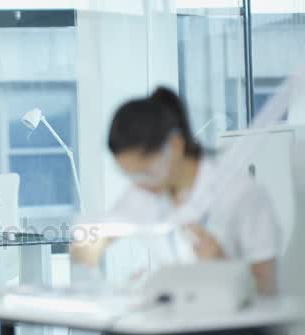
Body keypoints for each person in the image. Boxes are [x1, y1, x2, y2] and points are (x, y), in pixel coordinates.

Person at [71, 87, 280, 295]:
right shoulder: (144, 193)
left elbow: (268, 288)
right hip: (179, 316)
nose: (138, 185)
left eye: (145, 172)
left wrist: (222, 266)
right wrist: (88, 242)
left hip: (232, 323)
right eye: (131, 175)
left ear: (175, 146)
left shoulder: (240, 193)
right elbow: (106, 229)